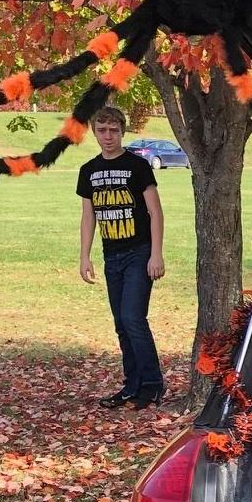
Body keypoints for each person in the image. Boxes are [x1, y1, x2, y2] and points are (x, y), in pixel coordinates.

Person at [77, 105, 166, 408]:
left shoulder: (137, 166)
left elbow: (155, 212)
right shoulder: (88, 170)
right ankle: (132, 384)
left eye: (114, 130)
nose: (108, 136)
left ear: (122, 132)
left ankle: (153, 384)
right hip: (110, 255)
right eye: (102, 130)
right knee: (120, 322)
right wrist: (84, 256)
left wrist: (156, 254)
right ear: (94, 132)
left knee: (133, 318)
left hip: (139, 253)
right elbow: (88, 216)